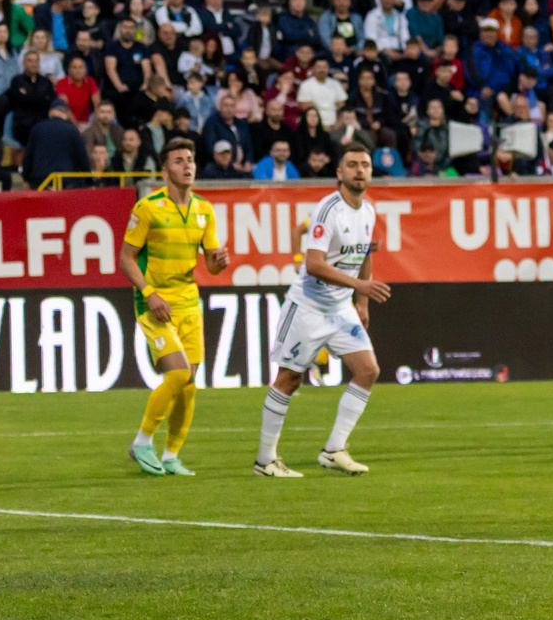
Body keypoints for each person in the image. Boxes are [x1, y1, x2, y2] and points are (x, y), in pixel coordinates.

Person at [253, 146, 388, 478]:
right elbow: (313, 265)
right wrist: (359, 287)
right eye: (352, 165)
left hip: (341, 308)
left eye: (365, 165)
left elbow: (366, 253)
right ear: (339, 173)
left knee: (368, 371)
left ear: (371, 173)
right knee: (289, 379)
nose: (359, 170)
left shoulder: (368, 211)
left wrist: (361, 302)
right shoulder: (327, 211)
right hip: (308, 308)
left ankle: (333, 450)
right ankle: (265, 460)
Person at [124, 140, 230, 476]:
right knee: (178, 373)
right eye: (179, 161)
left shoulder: (204, 209)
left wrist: (220, 263)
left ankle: (171, 455)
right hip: (155, 304)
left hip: (189, 302)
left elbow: (211, 266)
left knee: (189, 383)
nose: (187, 166)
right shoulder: (148, 207)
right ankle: (142, 441)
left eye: (191, 160)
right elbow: (126, 258)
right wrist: (150, 293)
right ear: (165, 169)